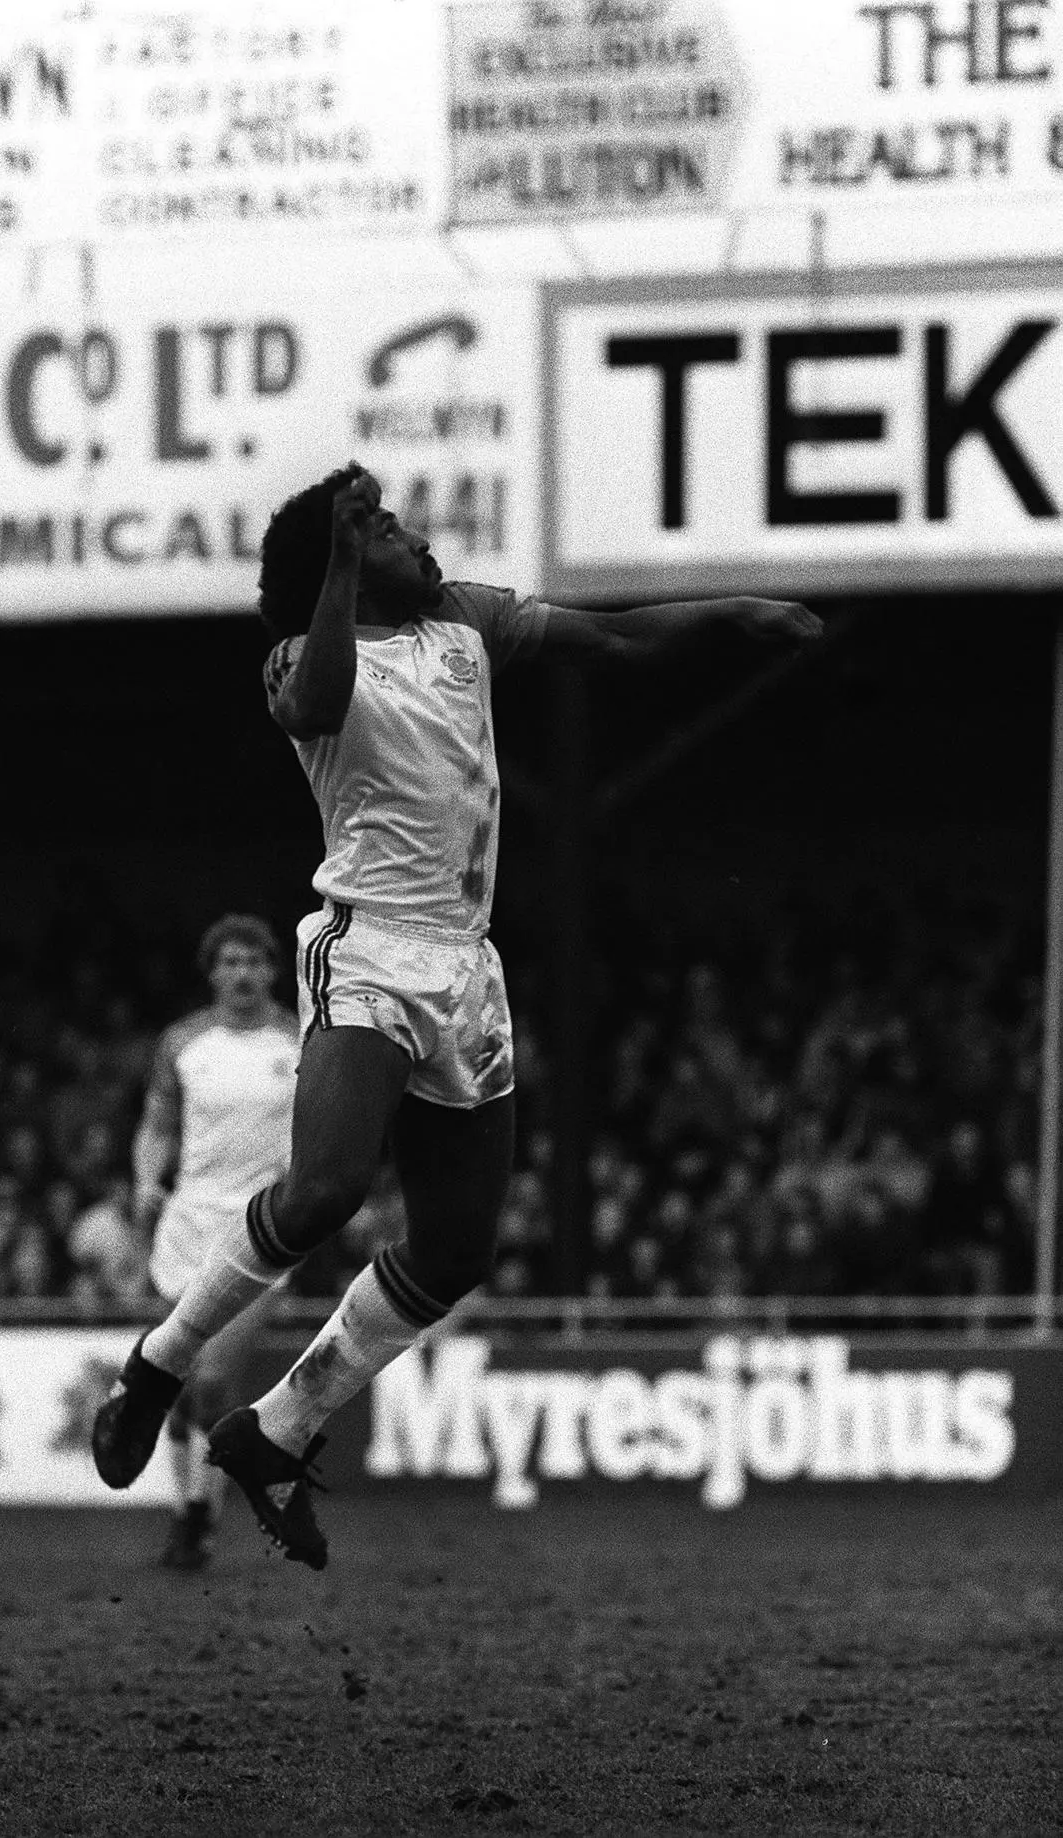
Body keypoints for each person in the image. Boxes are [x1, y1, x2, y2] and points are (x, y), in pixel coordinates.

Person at [93, 461, 822, 1569]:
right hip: (369, 947)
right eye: (380, 529)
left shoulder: (460, 622)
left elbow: (614, 642)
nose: (409, 538)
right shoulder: (298, 656)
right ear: (339, 564)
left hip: (465, 969)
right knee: (327, 1187)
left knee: (455, 1247)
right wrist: (338, 563)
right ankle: (158, 1363)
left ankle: (277, 1425)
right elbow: (320, 701)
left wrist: (728, 612)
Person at [127, 913, 298, 1570]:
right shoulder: (183, 1044)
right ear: (211, 973)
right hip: (187, 1230)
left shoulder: (301, 1042)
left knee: (214, 1378)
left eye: (253, 961)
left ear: (273, 972)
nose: (242, 973)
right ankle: (188, 1512)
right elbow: (156, 1125)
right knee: (174, 1379)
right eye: (229, 962)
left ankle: (201, 1510)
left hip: (261, 1234)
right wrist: (146, 1181)